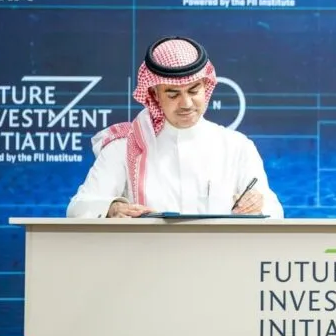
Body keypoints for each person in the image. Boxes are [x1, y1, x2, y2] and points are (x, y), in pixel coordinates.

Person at [67, 36, 284, 219]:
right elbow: (79, 208)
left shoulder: (237, 146)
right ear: (154, 95)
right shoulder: (126, 144)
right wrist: (112, 209)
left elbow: (275, 212)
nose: (186, 104)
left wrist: (257, 205)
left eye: (193, 91)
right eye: (173, 94)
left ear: (206, 86)